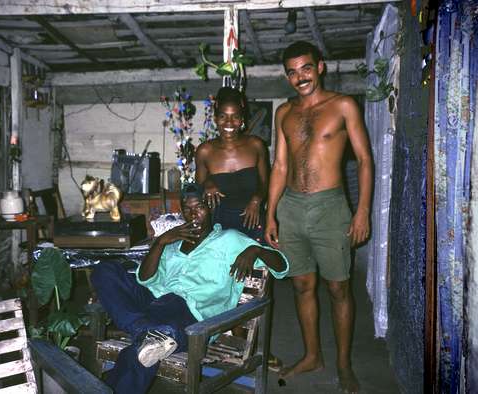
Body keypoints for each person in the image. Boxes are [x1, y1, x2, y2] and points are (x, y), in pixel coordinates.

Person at [91, 183, 289, 394]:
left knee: (141, 352)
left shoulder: (229, 239)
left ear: (210, 208)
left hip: (191, 314)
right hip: (154, 303)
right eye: (187, 208)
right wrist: (160, 243)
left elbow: (282, 266)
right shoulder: (173, 244)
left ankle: (151, 335)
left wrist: (255, 250)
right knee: (104, 270)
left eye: (200, 207)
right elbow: (144, 279)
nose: (193, 213)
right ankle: (151, 334)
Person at [264, 41, 373, 394]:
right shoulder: (284, 113)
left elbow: (365, 160)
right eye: (293, 72)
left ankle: (343, 364)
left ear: (320, 67)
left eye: (306, 68)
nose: (300, 77)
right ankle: (313, 355)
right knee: (301, 285)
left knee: (339, 287)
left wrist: (362, 212)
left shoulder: (343, 106)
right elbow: (279, 165)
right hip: (291, 207)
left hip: (330, 207)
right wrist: (271, 215)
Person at [195, 87, 269, 243]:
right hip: (220, 224)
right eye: (223, 116)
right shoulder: (205, 151)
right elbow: (198, 187)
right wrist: (207, 182)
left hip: (253, 220)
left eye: (235, 117)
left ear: (242, 120)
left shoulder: (256, 145)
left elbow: (265, 182)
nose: (229, 123)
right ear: (215, 119)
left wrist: (256, 200)